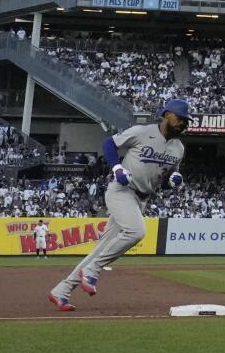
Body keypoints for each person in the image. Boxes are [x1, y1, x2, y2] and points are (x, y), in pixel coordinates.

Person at [48, 99, 188, 310]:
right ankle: (93, 270)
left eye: (186, 121)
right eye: (180, 118)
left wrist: (173, 181)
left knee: (101, 249)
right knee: (136, 231)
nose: (183, 123)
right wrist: (116, 168)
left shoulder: (178, 147)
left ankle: (62, 291)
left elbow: (166, 178)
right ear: (167, 115)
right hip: (122, 191)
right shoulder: (142, 132)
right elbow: (109, 144)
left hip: (141, 198)